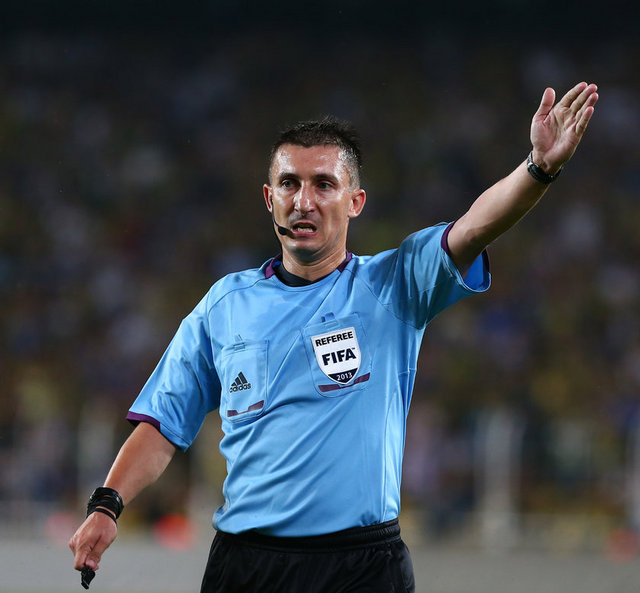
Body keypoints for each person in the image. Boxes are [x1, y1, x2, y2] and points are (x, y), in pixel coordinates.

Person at [69, 81, 598, 592]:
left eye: (323, 184)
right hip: (246, 564)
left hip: (361, 566)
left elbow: (475, 227)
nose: (304, 200)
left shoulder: (393, 285)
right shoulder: (224, 305)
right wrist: (106, 505)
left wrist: (538, 168)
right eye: (289, 183)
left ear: (355, 201)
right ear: (269, 197)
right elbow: (163, 423)